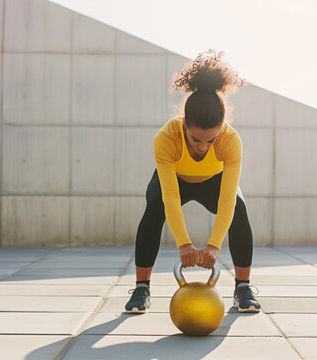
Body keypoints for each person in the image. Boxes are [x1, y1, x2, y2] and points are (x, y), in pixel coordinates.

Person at [125, 49, 260, 314]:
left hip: (214, 180)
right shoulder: (166, 138)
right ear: (185, 124)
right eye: (196, 139)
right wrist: (184, 244)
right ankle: (142, 288)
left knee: (240, 210)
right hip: (176, 180)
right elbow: (171, 198)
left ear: (221, 128)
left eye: (211, 140)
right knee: (154, 208)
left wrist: (213, 245)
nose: (203, 147)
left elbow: (226, 200)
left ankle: (243, 287)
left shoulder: (230, 141)